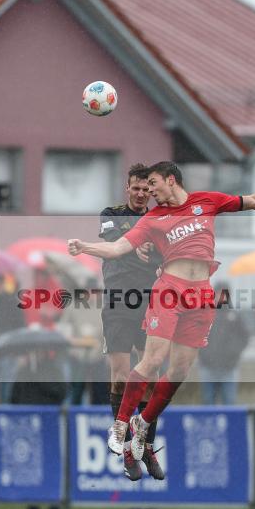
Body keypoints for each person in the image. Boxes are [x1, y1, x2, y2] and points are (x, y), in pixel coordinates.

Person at [69, 161, 255, 461]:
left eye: (152, 183)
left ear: (170, 180)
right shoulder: (154, 217)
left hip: (200, 295)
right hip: (169, 289)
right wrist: (84, 246)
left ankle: (143, 422)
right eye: (144, 186)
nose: (149, 190)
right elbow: (116, 248)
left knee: (179, 371)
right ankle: (120, 426)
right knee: (153, 360)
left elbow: (254, 200)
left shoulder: (207, 201)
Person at [98, 164, 164, 481]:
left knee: (150, 378)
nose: (140, 194)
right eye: (135, 188)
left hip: (149, 305)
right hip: (117, 303)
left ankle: (145, 446)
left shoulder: (159, 221)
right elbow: (113, 246)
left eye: (145, 189)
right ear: (128, 188)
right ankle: (126, 451)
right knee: (121, 377)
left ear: (151, 192)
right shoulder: (110, 213)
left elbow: (169, 252)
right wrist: (137, 245)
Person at [198, 283, 249, 405]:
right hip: (208, 368)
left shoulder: (235, 316)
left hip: (229, 369)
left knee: (229, 402)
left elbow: (245, 337)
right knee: (208, 402)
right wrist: (204, 354)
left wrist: (234, 352)